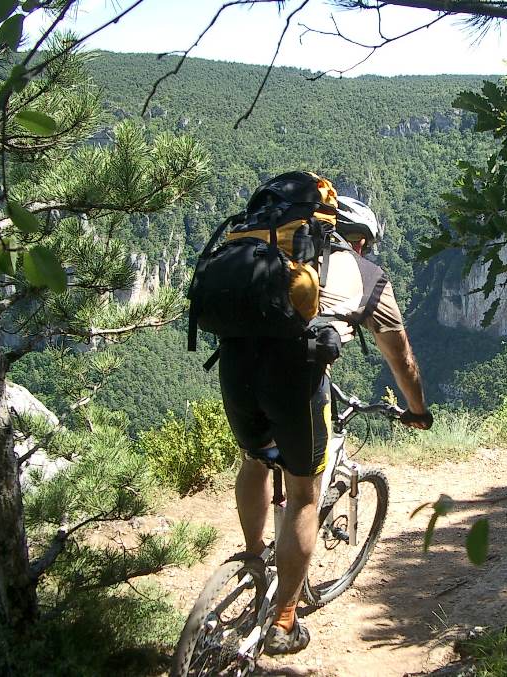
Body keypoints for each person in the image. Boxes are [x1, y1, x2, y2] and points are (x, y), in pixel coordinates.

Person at [217, 187, 433, 656]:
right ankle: (284, 621)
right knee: (304, 495)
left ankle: (253, 560)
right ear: (357, 240)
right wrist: (417, 410)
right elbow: (402, 359)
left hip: (234, 367)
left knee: (255, 461)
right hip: (294, 380)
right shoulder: (365, 275)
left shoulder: (269, 255)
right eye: (366, 245)